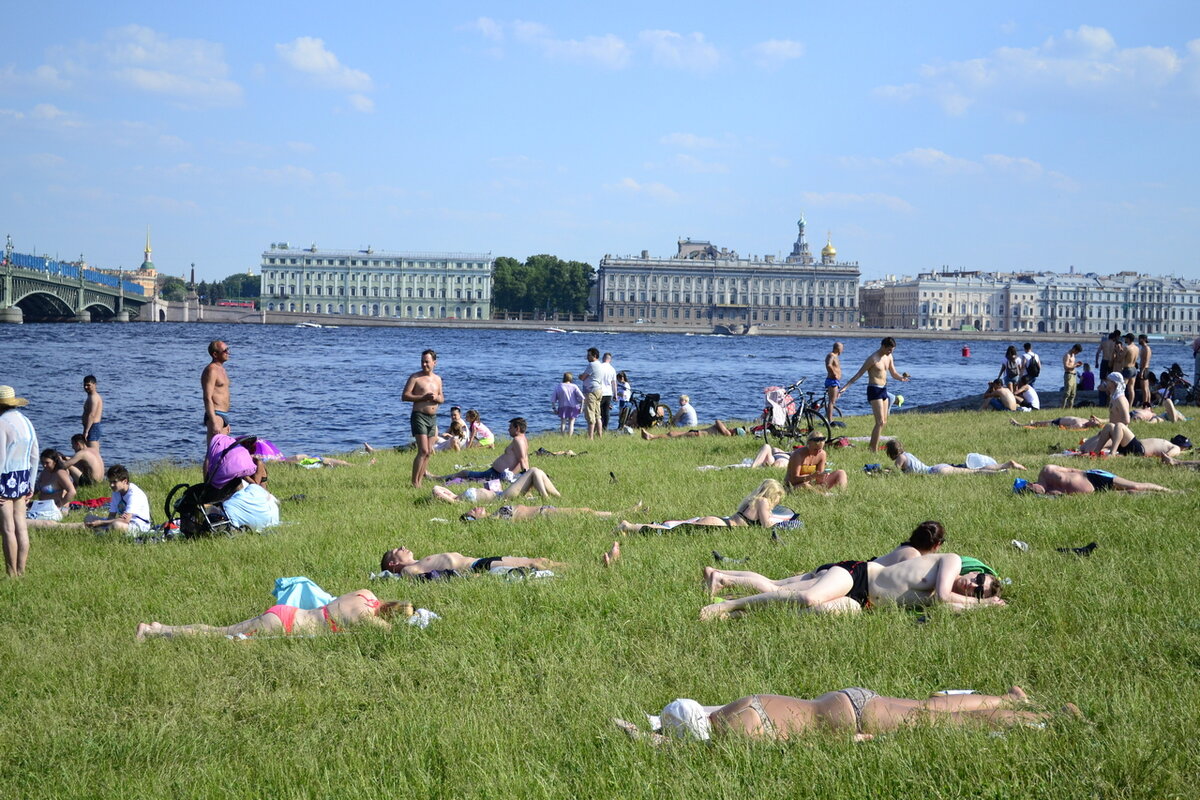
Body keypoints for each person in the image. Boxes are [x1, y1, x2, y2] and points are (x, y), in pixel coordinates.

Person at [616, 686, 1074, 744]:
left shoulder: (738, 734)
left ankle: (1047, 719)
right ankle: (1021, 702)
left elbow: (798, 744)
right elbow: (671, 726)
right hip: (851, 698)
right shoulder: (732, 710)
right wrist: (647, 727)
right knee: (936, 706)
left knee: (942, 723)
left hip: (851, 723)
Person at [700, 552, 1004, 620]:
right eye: (978, 579)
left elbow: (946, 606)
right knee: (805, 597)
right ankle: (726, 605)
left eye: (978, 590)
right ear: (976, 571)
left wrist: (981, 606)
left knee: (809, 613)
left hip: (864, 604)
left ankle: (742, 612)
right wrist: (984, 602)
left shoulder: (959, 598)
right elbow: (939, 596)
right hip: (859, 575)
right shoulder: (951, 562)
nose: (972, 585)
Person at [704, 520, 946, 597]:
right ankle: (723, 581)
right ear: (935, 545)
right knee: (777, 590)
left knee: (777, 583)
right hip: (848, 577)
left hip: (841, 570)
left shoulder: (905, 547)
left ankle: (720, 573)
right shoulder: (914, 557)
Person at [136, 589, 410, 640]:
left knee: (220, 630)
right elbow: (394, 638)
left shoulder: (365, 593)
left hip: (288, 612)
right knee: (217, 634)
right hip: (283, 626)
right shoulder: (367, 620)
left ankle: (160, 627)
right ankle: (154, 630)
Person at [617, 479, 799, 533]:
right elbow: (767, 525)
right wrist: (785, 523)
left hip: (721, 522)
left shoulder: (754, 500)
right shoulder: (763, 502)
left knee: (672, 528)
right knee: (669, 531)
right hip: (721, 525)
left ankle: (630, 526)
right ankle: (629, 526)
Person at [840, 337, 909, 452]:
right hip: (874, 389)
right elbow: (859, 374)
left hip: (884, 389)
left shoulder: (889, 357)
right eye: (889, 350)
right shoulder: (873, 359)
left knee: (884, 422)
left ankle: (872, 446)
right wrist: (845, 387)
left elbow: (893, 373)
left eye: (892, 350)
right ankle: (873, 449)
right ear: (883, 346)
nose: (890, 352)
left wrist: (901, 378)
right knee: (880, 421)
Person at [0, 385, 38, 577]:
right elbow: (35, 456)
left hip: (5, 478)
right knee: (21, 527)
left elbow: (0, 458)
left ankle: (10, 572)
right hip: (23, 477)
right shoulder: (26, 422)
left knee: (8, 529)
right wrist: (31, 483)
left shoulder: (1, 423)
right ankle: (21, 571)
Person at [401, 349, 444, 488]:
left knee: (429, 452)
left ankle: (420, 481)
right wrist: (423, 397)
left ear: (434, 363)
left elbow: (442, 398)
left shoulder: (438, 379)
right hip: (419, 416)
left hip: (433, 418)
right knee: (423, 450)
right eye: (422, 361)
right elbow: (405, 396)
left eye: (427, 362)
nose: (424, 364)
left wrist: (437, 398)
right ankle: (414, 482)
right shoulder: (415, 378)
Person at [380, 547, 565, 578]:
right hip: (476, 567)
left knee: (539, 561)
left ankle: (578, 569)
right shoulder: (408, 571)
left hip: (480, 561)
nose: (402, 547)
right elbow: (431, 578)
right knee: (534, 564)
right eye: (396, 551)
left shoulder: (419, 561)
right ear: (392, 564)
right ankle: (574, 571)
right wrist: (465, 578)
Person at [438, 418, 529, 482]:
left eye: (510, 428)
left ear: (517, 428)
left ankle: (437, 478)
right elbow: (523, 459)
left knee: (464, 473)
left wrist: (512, 476)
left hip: (496, 474)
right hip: (496, 472)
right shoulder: (523, 439)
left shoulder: (518, 440)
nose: (508, 430)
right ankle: (438, 478)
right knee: (464, 474)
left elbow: (522, 460)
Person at [1015, 463, 1172, 495]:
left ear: (1031, 483)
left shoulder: (1047, 470)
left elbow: (1072, 469)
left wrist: (1087, 472)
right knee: (1131, 493)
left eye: (1031, 490)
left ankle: (1171, 491)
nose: (1036, 493)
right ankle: (1163, 495)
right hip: (1096, 492)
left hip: (1094, 477)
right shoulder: (1051, 493)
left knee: (1136, 486)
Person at [431, 466, 560, 503]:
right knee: (533, 471)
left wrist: (450, 493)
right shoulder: (457, 501)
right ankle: (546, 498)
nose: (445, 492)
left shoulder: (457, 496)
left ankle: (556, 496)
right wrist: (450, 497)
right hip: (502, 497)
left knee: (537, 471)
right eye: (445, 494)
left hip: (502, 493)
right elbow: (436, 490)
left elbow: (438, 489)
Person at [885, 440, 1024, 474]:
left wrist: (881, 472)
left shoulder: (899, 459)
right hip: (937, 467)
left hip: (936, 472)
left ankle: (1002, 471)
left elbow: (895, 473)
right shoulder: (907, 454)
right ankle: (1004, 465)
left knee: (974, 473)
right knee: (973, 471)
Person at [84, 465, 152, 533]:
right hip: (122, 522)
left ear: (125, 481)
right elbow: (111, 516)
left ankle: (101, 531)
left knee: (116, 525)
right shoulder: (116, 492)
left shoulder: (134, 494)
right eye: (110, 482)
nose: (111, 485)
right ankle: (103, 530)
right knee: (89, 518)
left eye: (114, 482)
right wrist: (104, 522)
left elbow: (125, 520)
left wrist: (101, 522)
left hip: (139, 525)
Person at [25, 450, 75, 524]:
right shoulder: (44, 472)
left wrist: (59, 505)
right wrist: (27, 498)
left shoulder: (60, 473)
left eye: (47, 463)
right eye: (42, 463)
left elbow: (72, 491)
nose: (44, 465)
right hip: (43, 505)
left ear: (54, 462)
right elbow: (36, 489)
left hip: (56, 508)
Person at [201, 340, 231, 442]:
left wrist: (226, 422)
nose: (228, 352)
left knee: (221, 452)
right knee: (212, 453)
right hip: (216, 414)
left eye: (228, 349)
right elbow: (207, 397)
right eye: (225, 350)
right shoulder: (211, 370)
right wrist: (214, 421)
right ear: (215, 354)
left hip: (224, 414)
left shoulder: (222, 370)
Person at [1096, 330, 1121, 406]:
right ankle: (1109, 400)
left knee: (1103, 380)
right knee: (1111, 380)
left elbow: (1098, 353)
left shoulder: (1104, 343)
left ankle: (1102, 398)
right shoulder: (1115, 344)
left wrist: (1096, 362)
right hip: (1112, 362)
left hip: (1104, 361)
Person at [640, 420, 736, 439]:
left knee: (672, 435)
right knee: (672, 433)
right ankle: (652, 436)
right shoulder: (724, 432)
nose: (732, 428)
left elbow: (717, 421)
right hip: (696, 432)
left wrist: (723, 424)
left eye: (734, 429)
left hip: (697, 435)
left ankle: (651, 437)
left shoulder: (727, 434)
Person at [81, 375, 103, 453]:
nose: (86, 387)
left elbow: (92, 415)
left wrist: (86, 431)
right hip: (92, 427)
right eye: (85, 385)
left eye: (88, 385)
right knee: (92, 452)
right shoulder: (91, 396)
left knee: (93, 453)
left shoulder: (94, 398)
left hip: (92, 427)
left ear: (95, 385)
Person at [1116, 333, 1139, 405]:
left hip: (1127, 369)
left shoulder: (1127, 348)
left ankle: (1121, 404)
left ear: (1128, 339)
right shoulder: (1137, 348)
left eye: (1126, 338)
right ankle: (1130, 404)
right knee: (1131, 388)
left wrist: (1118, 351)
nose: (1125, 339)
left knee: (1122, 388)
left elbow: (1119, 359)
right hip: (1134, 369)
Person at [598, 353, 618, 429]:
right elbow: (614, 383)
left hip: (600, 392)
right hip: (608, 393)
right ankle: (605, 427)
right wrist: (615, 395)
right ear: (610, 360)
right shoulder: (612, 369)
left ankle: (597, 427)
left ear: (603, 358)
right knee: (606, 411)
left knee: (598, 411)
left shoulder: (600, 367)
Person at [1010, 414, 1103, 430]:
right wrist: (1096, 420)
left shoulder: (1080, 425)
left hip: (1057, 423)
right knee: (1037, 422)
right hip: (1058, 419)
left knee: (1037, 424)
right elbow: (1093, 417)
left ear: (1091, 425)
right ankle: (1027, 423)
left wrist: (1061, 427)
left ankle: (1019, 425)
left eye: (1094, 421)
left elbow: (1068, 428)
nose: (1093, 420)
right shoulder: (1086, 420)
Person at [825, 342, 843, 418]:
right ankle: (830, 420)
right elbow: (829, 365)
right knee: (831, 402)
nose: (842, 350)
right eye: (842, 348)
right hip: (832, 381)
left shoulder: (835, 356)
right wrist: (834, 374)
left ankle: (829, 418)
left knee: (833, 401)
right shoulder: (831, 355)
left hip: (835, 381)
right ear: (837, 349)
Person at [1136, 334, 1153, 408]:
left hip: (1144, 369)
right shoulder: (1142, 348)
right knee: (1145, 388)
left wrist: (1142, 371)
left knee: (1145, 388)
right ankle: (1147, 403)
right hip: (1143, 368)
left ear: (1143, 339)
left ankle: (1145, 404)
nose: (1138, 340)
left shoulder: (1146, 348)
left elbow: (1146, 361)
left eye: (1139, 339)